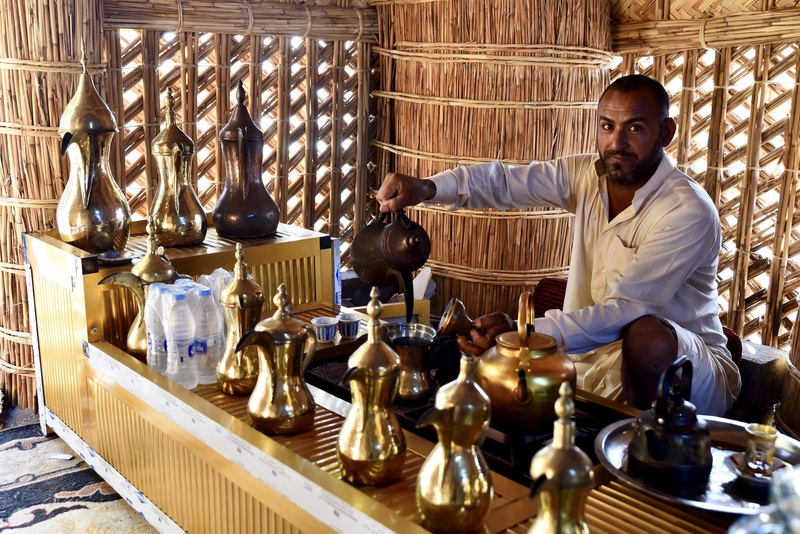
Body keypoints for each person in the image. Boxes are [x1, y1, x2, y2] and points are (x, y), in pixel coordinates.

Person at [375, 74, 741, 417]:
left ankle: (641, 448)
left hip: (684, 369)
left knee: (646, 337)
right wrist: (427, 188)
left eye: (635, 128)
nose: (617, 143)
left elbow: (627, 310)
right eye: (607, 126)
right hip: (592, 355)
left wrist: (522, 334)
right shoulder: (586, 175)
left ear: (666, 132)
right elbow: (507, 182)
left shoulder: (686, 210)